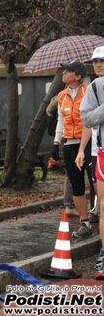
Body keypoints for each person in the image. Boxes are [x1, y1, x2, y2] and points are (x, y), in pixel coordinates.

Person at [53, 61, 92, 239]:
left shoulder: (89, 92)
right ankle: (85, 223)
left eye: (68, 71)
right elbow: (61, 120)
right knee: (76, 184)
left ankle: (97, 213)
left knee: (95, 183)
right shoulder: (62, 95)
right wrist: (56, 142)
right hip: (70, 143)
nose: (64, 73)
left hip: (90, 142)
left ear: (77, 76)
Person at [80, 45, 104, 278]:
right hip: (100, 152)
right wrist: (81, 150)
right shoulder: (95, 88)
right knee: (102, 205)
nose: (98, 65)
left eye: (102, 61)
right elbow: (87, 120)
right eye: (95, 61)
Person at [46, 95, 77, 216]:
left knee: (70, 173)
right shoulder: (62, 104)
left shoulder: (52, 109)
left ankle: (70, 202)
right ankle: (69, 203)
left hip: (60, 141)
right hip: (66, 140)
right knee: (70, 173)